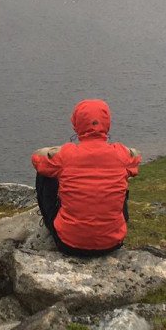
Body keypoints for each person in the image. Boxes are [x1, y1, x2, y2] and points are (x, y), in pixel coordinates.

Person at [31, 98, 141, 257]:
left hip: (69, 243)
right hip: (112, 243)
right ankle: (110, 225)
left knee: (44, 172)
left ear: (76, 124)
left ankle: (52, 224)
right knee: (120, 179)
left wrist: (59, 150)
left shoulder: (65, 155)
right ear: (107, 123)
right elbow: (136, 156)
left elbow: (36, 158)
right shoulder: (121, 154)